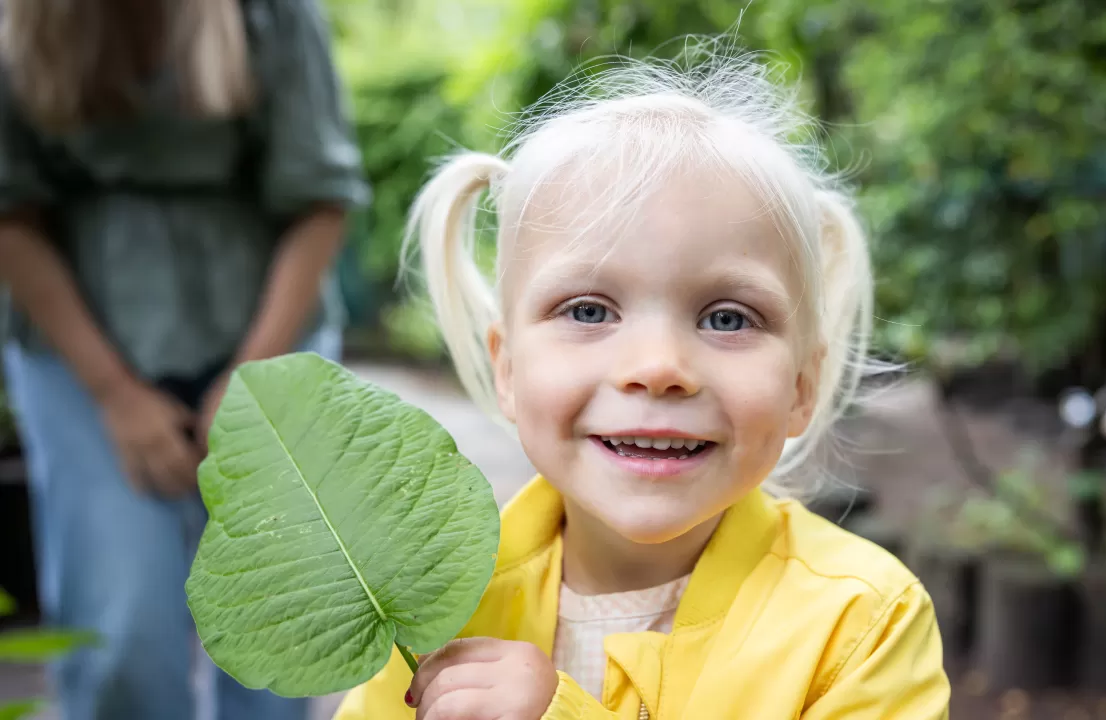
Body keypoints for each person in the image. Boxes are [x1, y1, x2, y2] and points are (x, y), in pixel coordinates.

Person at [335, 40, 950, 720]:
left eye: (726, 318)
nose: (658, 367)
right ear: (506, 369)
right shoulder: (430, 603)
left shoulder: (862, 622)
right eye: (590, 310)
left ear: (804, 384)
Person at [0, 1, 368, 719]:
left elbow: (322, 198)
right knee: (120, 634)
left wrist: (251, 377)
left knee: (277, 631)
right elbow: (10, 214)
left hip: (267, 329)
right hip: (79, 348)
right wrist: (114, 392)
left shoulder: (277, 17)